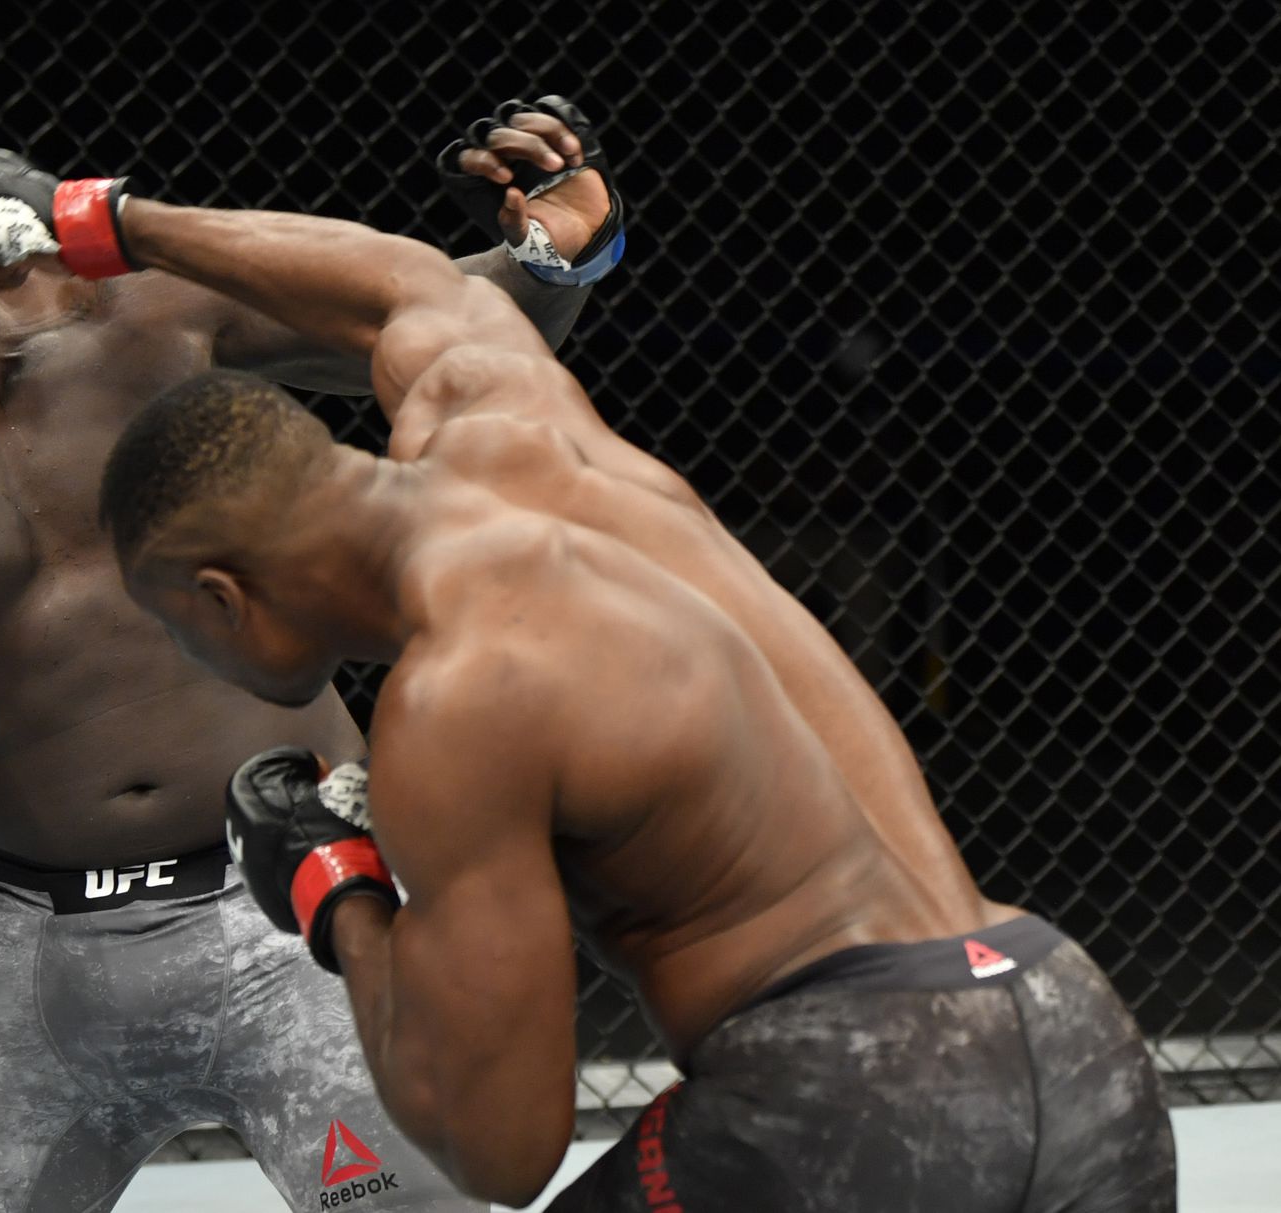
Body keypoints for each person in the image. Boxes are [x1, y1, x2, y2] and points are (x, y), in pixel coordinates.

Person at [70, 191, 1179, 1208]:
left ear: (221, 596)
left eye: (175, 627)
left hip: (858, 1085)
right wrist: (108, 220)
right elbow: (404, 281)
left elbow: (501, 1149)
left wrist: (336, 891)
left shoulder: (457, 700)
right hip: (1068, 1023)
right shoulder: (510, 424)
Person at [0, 82, 622, 1211]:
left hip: (305, 896)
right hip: (37, 961)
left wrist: (554, 258)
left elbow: (440, 327)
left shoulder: (136, 310)